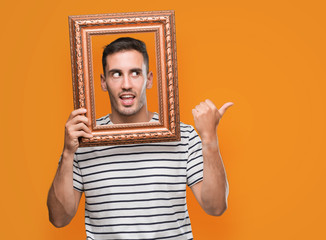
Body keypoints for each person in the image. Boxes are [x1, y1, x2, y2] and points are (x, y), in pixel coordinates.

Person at [47, 37, 232, 239]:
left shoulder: (183, 135)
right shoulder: (84, 140)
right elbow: (59, 218)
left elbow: (215, 207)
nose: (126, 84)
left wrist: (210, 139)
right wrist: (67, 153)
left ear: (149, 79)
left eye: (135, 73)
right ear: (103, 82)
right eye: (116, 74)